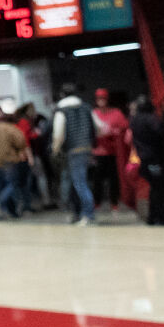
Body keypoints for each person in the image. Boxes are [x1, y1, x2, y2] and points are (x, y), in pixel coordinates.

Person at [51, 85, 94, 225]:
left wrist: (55, 149)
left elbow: (58, 134)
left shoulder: (61, 110)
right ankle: (79, 212)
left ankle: (88, 214)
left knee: (79, 183)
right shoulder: (86, 107)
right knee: (79, 182)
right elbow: (98, 127)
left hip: (72, 150)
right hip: (86, 148)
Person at [127, 96, 164, 226]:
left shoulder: (134, 121)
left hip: (144, 158)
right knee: (161, 188)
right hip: (156, 158)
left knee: (154, 188)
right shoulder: (149, 119)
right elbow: (159, 133)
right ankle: (161, 217)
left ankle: (153, 217)